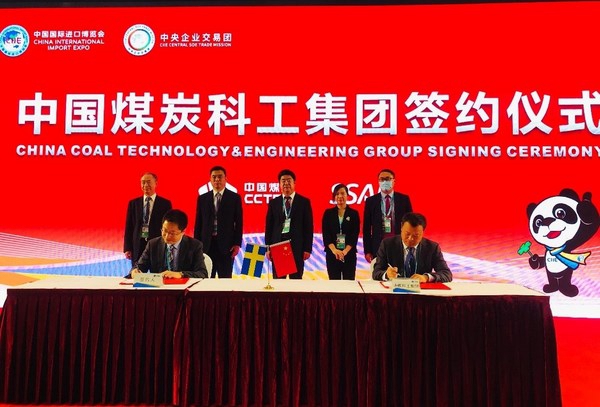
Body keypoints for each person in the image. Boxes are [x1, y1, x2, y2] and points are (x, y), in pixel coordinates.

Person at [372, 212, 452, 282]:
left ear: (423, 232)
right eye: (407, 234)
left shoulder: (432, 248)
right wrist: (387, 274)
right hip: (395, 291)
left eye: (416, 235)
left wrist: (426, 277)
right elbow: (376, 272)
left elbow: (446, 274)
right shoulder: (387, 244)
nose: (410, 239)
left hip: (421, 292)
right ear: (401, 227)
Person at [193, 166, 243, 278]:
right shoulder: (203, 198)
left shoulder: (234, 198)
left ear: (226, 179)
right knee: (206, 278)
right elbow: (198, 223)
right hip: (207, 245)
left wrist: (237, 244)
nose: (217, 180)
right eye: (214, 177)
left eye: (220, 177)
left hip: (227, 246)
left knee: (225, 278)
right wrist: (196, 244)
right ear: (210, 179)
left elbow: (239, 222)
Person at [130, 209, 208, 279]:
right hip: (159, 288)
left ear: (183, 232)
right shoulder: (153, 245)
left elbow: (202, 273)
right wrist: (134, 272)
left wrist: (180, 274)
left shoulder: (194, 246)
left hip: (183, 288)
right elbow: (139, 266)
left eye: (172, 233)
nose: (167, 236)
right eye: (164, 231)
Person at [265, 169, 314, 279]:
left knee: (296, 282)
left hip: (297, 248)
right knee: (279, 282)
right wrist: (268, 248)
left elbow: (308, 227)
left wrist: (307, 249)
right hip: (278, 247)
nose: (286, 183)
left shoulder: (304, 202)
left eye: (289, 180)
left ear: (294, 183)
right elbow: (269, 227)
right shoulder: (274, 203)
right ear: (279, 184)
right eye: (283, 181)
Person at [363, 169, 412, 264]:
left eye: (388, 179)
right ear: (378, 181)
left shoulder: (404, 199)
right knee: (380, 271)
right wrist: (367, 250)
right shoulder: (371, 201)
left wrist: (410, 245)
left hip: (400, 244)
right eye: (382, 179)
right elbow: (366, 228)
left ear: (394, 181)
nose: (385, 181)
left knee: (399, 271)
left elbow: (410, 224)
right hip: (378, 245)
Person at [123, 172, 172, 267]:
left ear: (156, 183)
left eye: (148, 182)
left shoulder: (165, 203)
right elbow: (129, 227)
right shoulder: (134, 203)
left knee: (157, 272)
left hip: (157, 244)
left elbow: (168, 227)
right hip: (138, 244)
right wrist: (127, 248)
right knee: (137, 272)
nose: (145, 185)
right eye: (143, 182)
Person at [321, 183, 360, 280]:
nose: (340, 196)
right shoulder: (328, 213)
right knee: (334, 284)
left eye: (342, 193)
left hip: (349, 255)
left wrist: (344, 252)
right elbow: (326, 235)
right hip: (332, 255)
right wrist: (335, 251)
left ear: (347, 195)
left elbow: (354, 235)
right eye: (337, 194)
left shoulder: (354, 214)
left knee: (349, 283)